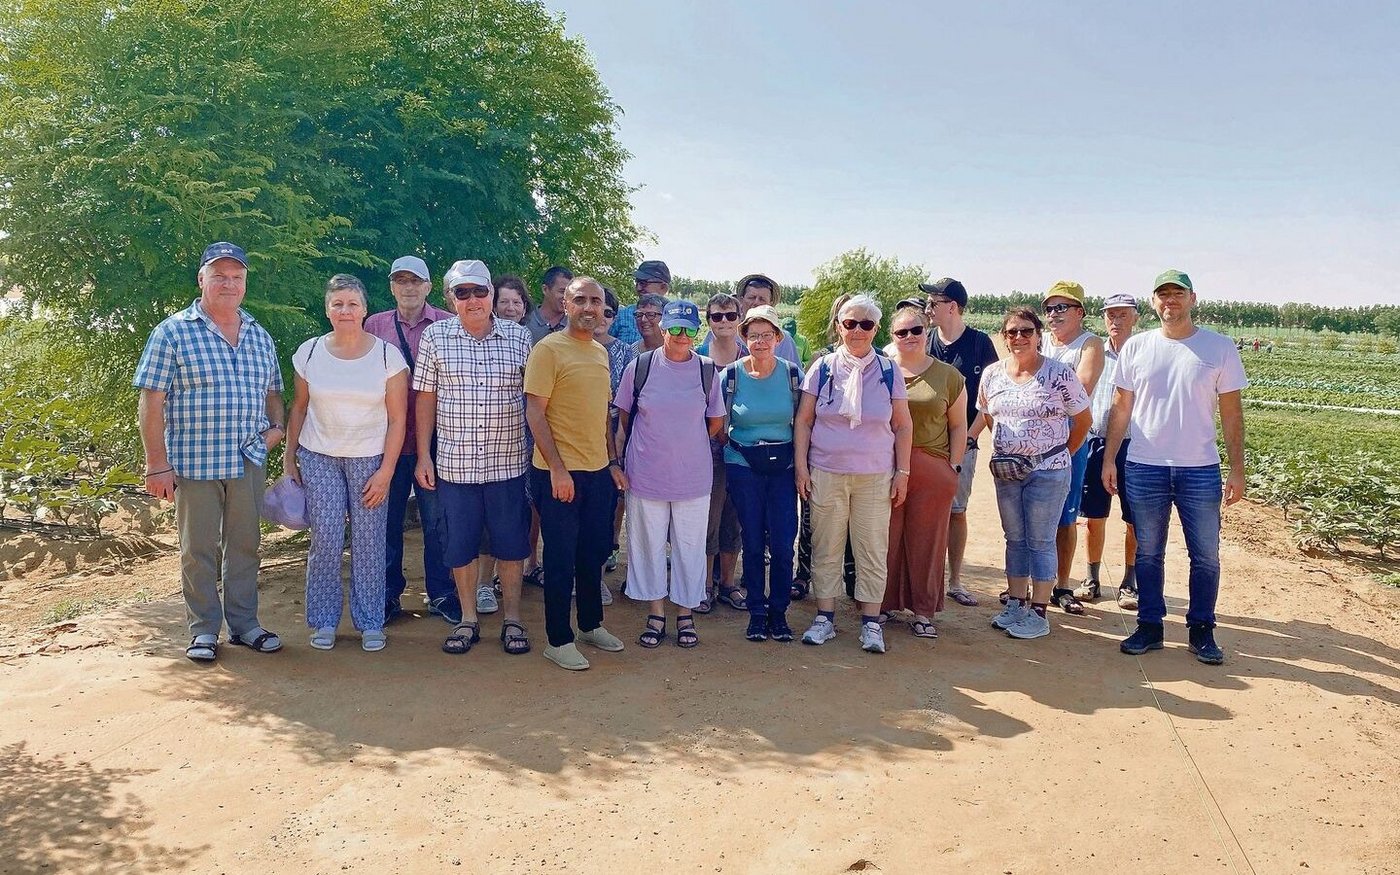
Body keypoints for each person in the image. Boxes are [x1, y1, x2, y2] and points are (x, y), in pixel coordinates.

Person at [134, 242, 286, 662]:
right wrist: (155, 465)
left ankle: (245, 625)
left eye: (237, 277)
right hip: (193, 463)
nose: (229, 283)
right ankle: (203, 631)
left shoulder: (258, 333)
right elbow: (151, 401)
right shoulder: (173, 332)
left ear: (245, 282)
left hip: (247, 462)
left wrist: (276, 430)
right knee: (198, 549)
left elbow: (274, 391)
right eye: (219, 275)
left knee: (246, 545)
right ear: (201, 279)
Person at [1106, 270, 1247, 665]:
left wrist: (1237, 469)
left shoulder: (1218, 348)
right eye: (1163, 294)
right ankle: (1150, 625)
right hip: (1144, 465)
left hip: (1200, 468)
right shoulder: (1137, 348)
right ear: (1153, 302)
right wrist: (1109, 458)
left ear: (1192, 298)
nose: (1170, 300)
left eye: (1178, 294)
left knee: (1205, 554)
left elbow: (1232, 413)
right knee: (1148, 552)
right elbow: (1120, 407)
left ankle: (1201, 629)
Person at [409, 260, 534, 655]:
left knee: (512, 546)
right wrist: (424, 456)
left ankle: (512, 619)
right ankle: (468, 620)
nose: (473, 299)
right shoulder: (435, 338)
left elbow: (534, 400)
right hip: (454, 465)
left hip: (508, 463)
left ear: (492, 295)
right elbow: (425, 398)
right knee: (460, 546)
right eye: (462, 293)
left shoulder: (519, 338)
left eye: (480, 291)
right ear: (451, 298)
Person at [284, 274, 408, 652]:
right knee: (326, 539)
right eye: (337, 304)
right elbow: (300, 407)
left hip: (370, 459)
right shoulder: (309, 352)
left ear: (365, 309)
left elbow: (398, 419)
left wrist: (387, 471)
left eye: (352, 304)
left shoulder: (387, 356)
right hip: (319, 456)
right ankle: (323, 621)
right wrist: (289, 457)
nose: (345, 311)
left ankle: (370, 621)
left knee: (370, 542)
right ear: (327, 310)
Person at [795, 294, 913, 654]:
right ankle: (825, 618)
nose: (857, 330)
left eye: (866, 324)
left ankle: (871, 623)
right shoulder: (823, 367)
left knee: (871, 548)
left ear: (876, 329)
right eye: (850, 323)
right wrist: (801, 466)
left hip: (875, 475)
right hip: (826, 472)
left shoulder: (889, 370)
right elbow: (804, 421)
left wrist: (902, 471)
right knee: (825, 546)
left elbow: (903, 425)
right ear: (838, 326)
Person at [525, 276, 629, 671]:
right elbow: (535, 411)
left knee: (593, 552)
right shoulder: (549, 349)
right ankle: (558, 639)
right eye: (580, 299)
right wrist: (557, 469)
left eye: (596, 301)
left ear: (604, 309)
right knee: (561, 558)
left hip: (597, 471)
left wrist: (612, 462)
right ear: (565, 304)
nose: (589, 307)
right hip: (558, 474)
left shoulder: (600, 353)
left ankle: (590, 624)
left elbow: (603, 413)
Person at [614, 300, 725, 648]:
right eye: (674, 328)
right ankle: (655, 613)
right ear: (663, 329)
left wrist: (684, 444)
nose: (681, 336)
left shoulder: (707, 370)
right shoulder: (641, 367)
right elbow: (625, 418)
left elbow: (715, 422)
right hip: (646, 475)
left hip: (692, 477)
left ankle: (685, 614)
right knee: (646, 546)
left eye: (689, 329)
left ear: (697, 333)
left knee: (689, 548)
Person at [982, 307, 1092, 641]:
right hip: (1007, 471)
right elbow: (989, 416)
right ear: (1004, 337)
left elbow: (1083, 421)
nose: (1019, 337)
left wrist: (1055, 454)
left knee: (1041, 541)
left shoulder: (1059, 374)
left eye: (1026, 331)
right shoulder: (992, 375)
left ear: (1038, 335)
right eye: (1012, 332)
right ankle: (1016, 602)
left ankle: (1039, 611)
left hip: (1048, 472)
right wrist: (1010, 451)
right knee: (1014, 538)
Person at [364, 256, 458, 625]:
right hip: (385, 441)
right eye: (400, 280)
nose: (408, 287)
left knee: (438, 522)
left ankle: (442, 593)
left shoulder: (450, 325)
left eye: (415, 280)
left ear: (428, 286)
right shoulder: (374, 325)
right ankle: (388, 596)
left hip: (436, 440)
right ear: (391, 287)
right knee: (385, 522)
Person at [879, 304, 966, 639]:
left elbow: (958, 426)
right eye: (902, 332)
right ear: (892, 337)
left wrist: (953, 465)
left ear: (926, 332)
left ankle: (923, 610)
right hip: (886, 467)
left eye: (916, 330)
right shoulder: (882, 371)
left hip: (932, 466)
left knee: (927, 541)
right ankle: (882, 603)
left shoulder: (948, 376)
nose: (910, 337)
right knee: (885, 538)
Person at [721, 305, 802, 642]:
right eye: (754, 335)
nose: (761, 341)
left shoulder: (793, 375)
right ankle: (757, 612)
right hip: (743, 465)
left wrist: (803, 468)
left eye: (767, 335)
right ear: (745, 338)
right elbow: (717, 423)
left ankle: (779, 613)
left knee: (783, 544)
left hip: (783, 468)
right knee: (752, 541)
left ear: (778, 338)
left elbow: (804, 424)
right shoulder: (732, 375)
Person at [922, 277, 1000, 608]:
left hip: (962, 445)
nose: (927, 309)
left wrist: (968, 437)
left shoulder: (981, 344)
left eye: (933, 303)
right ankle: (925, 580)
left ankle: (954, 580)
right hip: (925, 445)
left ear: (952, 307)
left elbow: (993, 397)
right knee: (925, 513)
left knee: (956, 511)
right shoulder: (923, 340)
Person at [1037, 280, 1105, 615]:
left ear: (1079, 312)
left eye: (1061, 307)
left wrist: (1035, 398)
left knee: (1065, 514)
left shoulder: (1089, 344)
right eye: (1049, 308)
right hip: (1031, 440)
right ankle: (1028, 583)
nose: (1053, 315)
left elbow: (1080, 388)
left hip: (1069, 439)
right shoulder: (1037, 340)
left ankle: (1061, 585)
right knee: (1030, 512)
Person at [1080, 293, 1141, 609]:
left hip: (1135, 447)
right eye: (1110, 315)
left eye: (1122, 315)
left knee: (1134, 518)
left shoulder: (1144, 354)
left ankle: (1129, 582)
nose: (1115, 321)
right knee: (1093, 516)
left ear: (1136, 318)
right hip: (1097, 441)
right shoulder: (1095, 355)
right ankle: (1091, 577)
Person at [695, 293, 745, 613]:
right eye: (717, 316)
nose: (724, 322)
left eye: (730, 315)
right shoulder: (698, 358)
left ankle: (728, 584)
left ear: (739, 317)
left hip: (741, 451)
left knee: (734, 519)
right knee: (708, 519)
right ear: (708, 320)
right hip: (707, 448)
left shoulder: (750, 356)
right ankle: (705, 585)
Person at [596, 286, 634, 591]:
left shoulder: (624, 351)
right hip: (573, 436)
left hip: (611, 436)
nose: (601, 317)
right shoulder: (562, 346)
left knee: (606, 505)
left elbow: (625, 404)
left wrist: (619, 443)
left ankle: (596, 577)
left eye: (609, 312)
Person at [736, 273, 803, 365]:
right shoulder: (726, 335)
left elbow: (795, 377)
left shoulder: (785, 341)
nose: (756, 303)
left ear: (770, 303)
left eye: (762, 299)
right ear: (741, 300)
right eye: (751, 298)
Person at [611, 260, 670, 347]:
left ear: (663, 287)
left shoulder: (676, 316)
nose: (638, 288)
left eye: (643, 283)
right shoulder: (622, 315)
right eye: (637, 282)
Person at [522, 266, 571, 343]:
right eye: (562, 292)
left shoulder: (575, 325)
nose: (567, 298)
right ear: (545, 289)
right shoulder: (525, 321)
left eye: (570, 293)